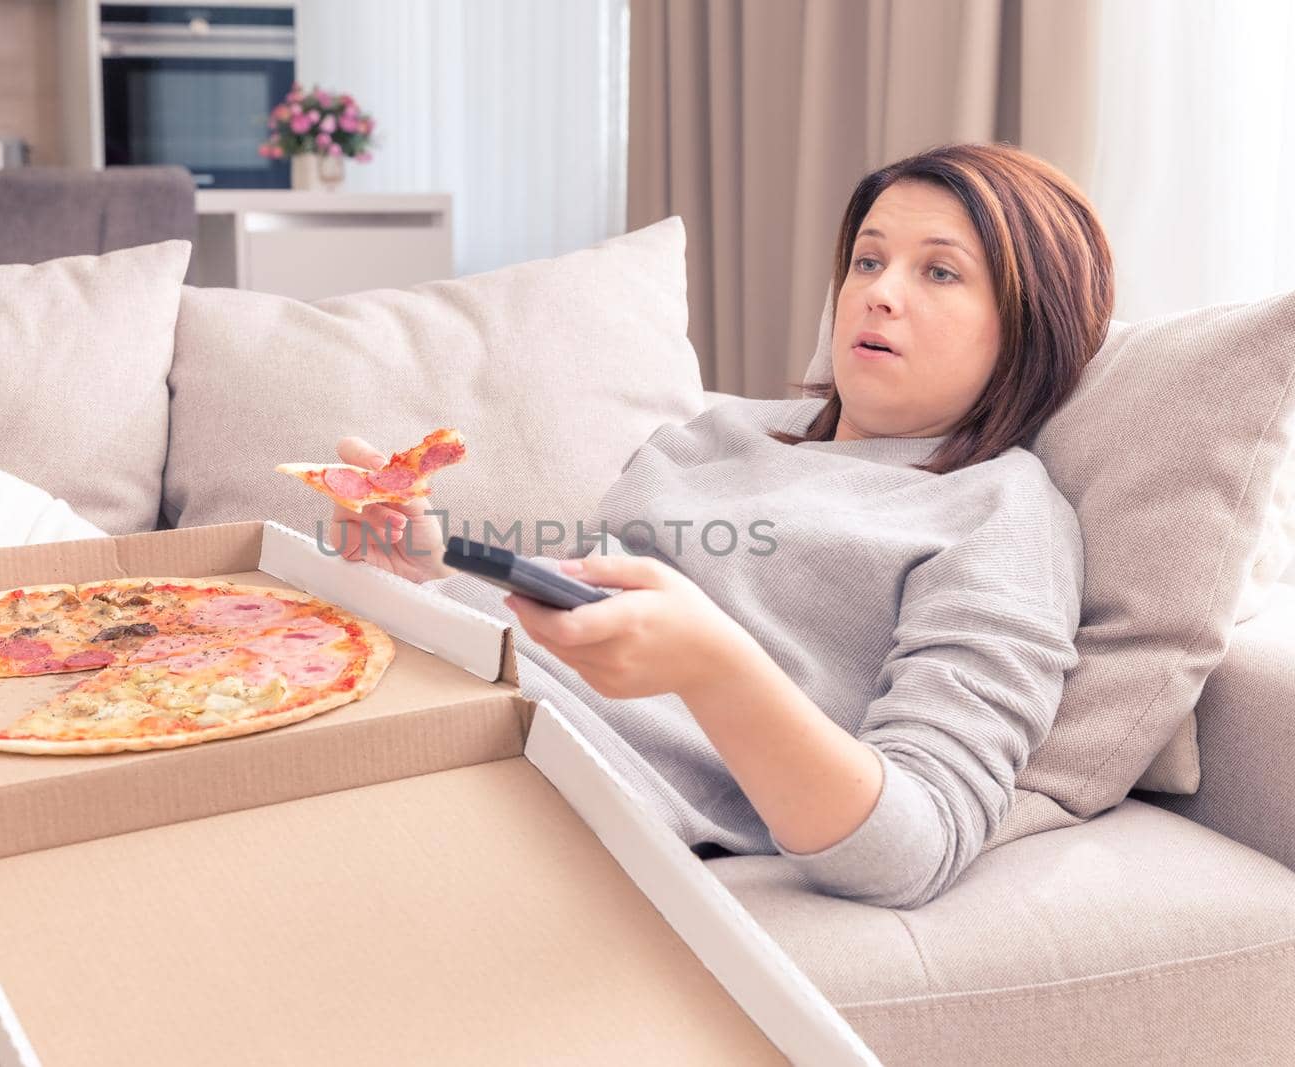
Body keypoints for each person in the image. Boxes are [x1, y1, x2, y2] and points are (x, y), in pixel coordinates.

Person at [325, 141, 1112, 910]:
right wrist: (431, 566)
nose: (878, 292)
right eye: (868, 261)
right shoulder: (718, 430)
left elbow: (914, 847)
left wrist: (714, 667)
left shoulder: (1001, 514)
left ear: (1028, 324)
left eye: (939, 271)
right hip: (403, 676)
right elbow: (584, 608)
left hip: (517, 773)